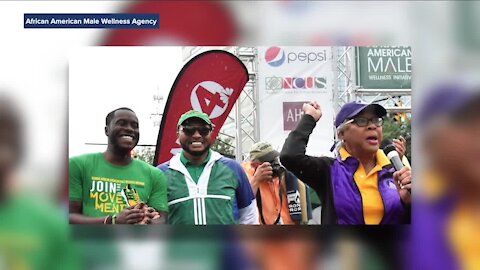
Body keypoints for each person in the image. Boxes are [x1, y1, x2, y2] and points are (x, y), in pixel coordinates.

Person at [280, 101, 411, 224]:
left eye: (376, 121)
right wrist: (309, 118)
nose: (372, 126)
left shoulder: (396, 172)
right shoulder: (329, 171)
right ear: (342, 133)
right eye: (361, 121)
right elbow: (290, 156)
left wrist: (409, 204)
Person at [69, 107, 168, 224]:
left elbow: (162, 219)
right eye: (121, 124)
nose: (129, 129)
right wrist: (112, 221)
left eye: (134, 126)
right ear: (107, 130)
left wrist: (147, 221)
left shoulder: (154, 174)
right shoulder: (78, 165)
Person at [158, 110, 258, 225]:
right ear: (178, 134)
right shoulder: (161, 174)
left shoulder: (233, 169)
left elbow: (249, 215)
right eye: (188, 130)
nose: (196, 135)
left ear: (211, 134)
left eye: (204, 130)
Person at [242, 141, 313, 225]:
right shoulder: (245, 175)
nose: (274, 163)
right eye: (269, 161)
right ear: (255, 165)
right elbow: (243, 203)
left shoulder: (284, 175)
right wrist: (256, 180)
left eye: (274, 158)